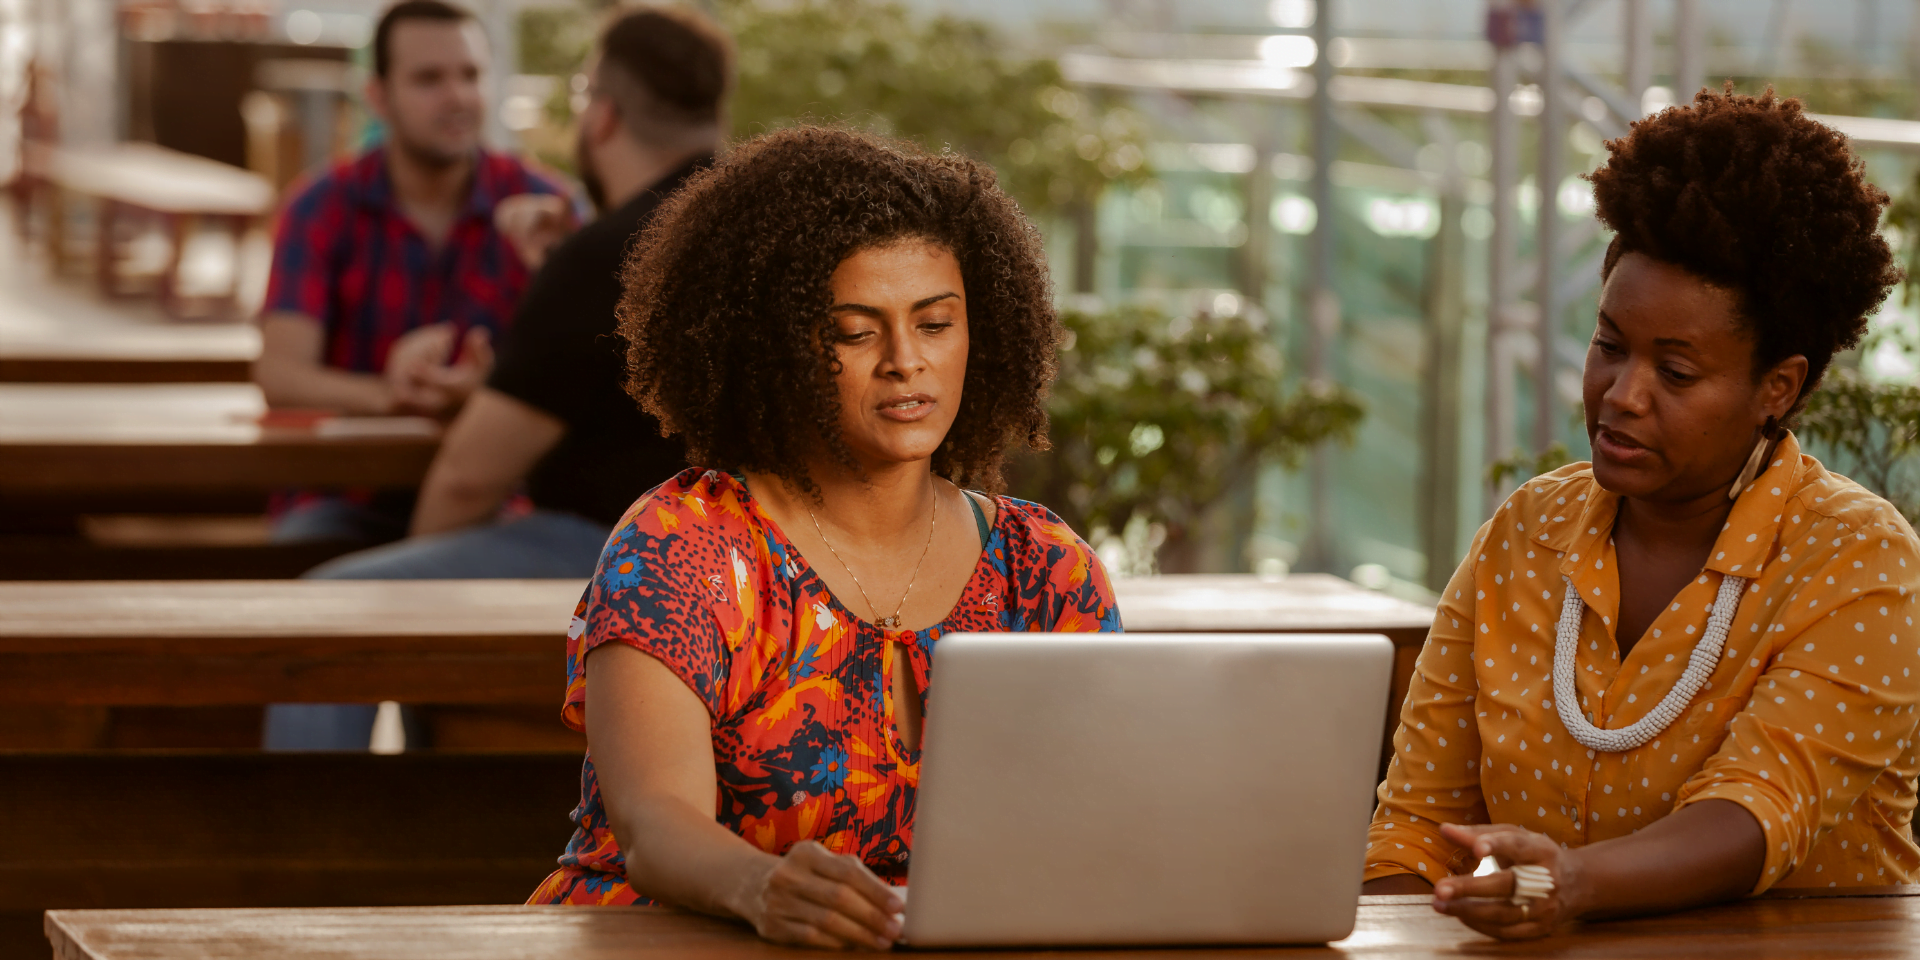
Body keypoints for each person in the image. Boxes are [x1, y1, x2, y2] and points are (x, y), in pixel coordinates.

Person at [524, 127, 1123, 949]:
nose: (906, 361)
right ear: (777, 346)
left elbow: (1101, 815)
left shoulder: (1045, 568)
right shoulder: (686, 544)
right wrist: (760, 885)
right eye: (854, 332)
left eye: (937, 323)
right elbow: (652, 823)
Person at [1363, 87, 1920, 940]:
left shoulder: (1856, 555)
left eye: (1678, 372)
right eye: (1608, 345)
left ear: (1778, 387)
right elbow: (1414, 825)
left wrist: (1572, 881)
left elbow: (1756, 811)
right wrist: (1402, 913)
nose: (1622, 396)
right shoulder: (1525, 533)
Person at [298, 6, 730, 580]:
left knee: (327, 596)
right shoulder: (760, 231)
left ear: (602, 116)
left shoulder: (605, 254)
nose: (455, 95)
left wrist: (402, 616)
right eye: (430, 78)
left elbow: (467, 481)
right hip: (753, 558)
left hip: (621, 552)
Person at [252, 0, 571, 546]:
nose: (458, 97)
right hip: (343, 492)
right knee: (298, 574)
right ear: (377, 96)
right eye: (429, 79)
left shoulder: (546, 208)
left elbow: (590, 380)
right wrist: (394, 395)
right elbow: (280, 376)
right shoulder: (319, 205)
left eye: (470, 75)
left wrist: (485, 393)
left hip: (497, 496)